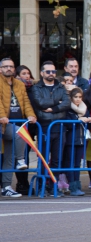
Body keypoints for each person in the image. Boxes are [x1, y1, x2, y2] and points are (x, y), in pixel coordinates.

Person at [29, 61, 71, 194]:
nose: (51, 74)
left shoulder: (60, 87)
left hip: (59, 127)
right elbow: (39, 103)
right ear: (42, 73)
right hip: (44, 127)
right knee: (43, 159)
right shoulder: (36, 88)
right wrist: (57, 103)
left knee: (57, 160)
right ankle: (41, 186)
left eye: (53, 71)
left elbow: (67, 103)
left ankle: (53, 186)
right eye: (48, 71)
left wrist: (53, 108)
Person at [0, 58, 36, 198]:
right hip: (3, 123)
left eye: (11, 66)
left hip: (15, 122)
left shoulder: (19, 84)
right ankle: (21, 159)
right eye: (5, 66)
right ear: (0, 69)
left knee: (9, 157)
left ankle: (6, 187)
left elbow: (26, 101)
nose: (8, 68)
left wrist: (31, 115)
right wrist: (2, 116)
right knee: (18, 134)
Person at [13, 65, 36, 194]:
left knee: (24, 157)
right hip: (17, 126)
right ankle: (20, 183)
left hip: (30, 127)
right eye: (23, 73)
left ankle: (24, 183)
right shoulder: (15, 88)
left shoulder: (33, 89)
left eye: (28, 73)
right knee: (15, 157)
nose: (27, 76)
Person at [63, 87, 90, 197]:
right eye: (75, 97)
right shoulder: (68, 108)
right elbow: (67, 123)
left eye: (80, 97)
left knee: (77, 164)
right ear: (71, 98)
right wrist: (77, 120)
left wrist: (89, 119)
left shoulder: (84, 108)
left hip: (80, 139)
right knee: (70, 164)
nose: (78, 99)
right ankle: (72, 187)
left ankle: (77, 186)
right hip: (70, 140)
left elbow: (89, 123)